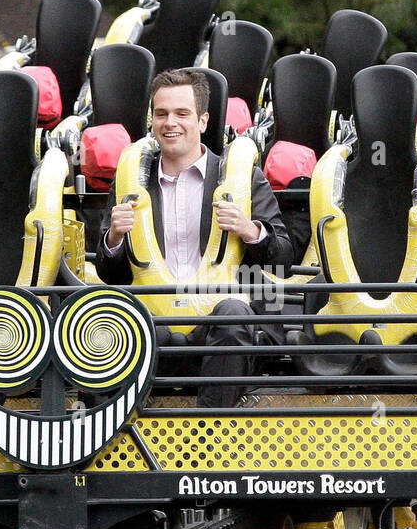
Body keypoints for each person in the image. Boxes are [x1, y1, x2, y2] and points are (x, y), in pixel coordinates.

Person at [97, 69, 292, 407]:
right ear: (152, 120)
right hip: (154, 328)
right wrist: (114, 237)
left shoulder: (243, 179)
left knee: (233, 315)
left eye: (181, 113)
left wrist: (250, 230)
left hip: (221, 333)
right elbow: (109, 273)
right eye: (161, 114)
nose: (170, 122)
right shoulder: (130, 183)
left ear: (202, 121)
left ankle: (207, 436)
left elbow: (284, 258)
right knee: (115, 321)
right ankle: (119, 440)